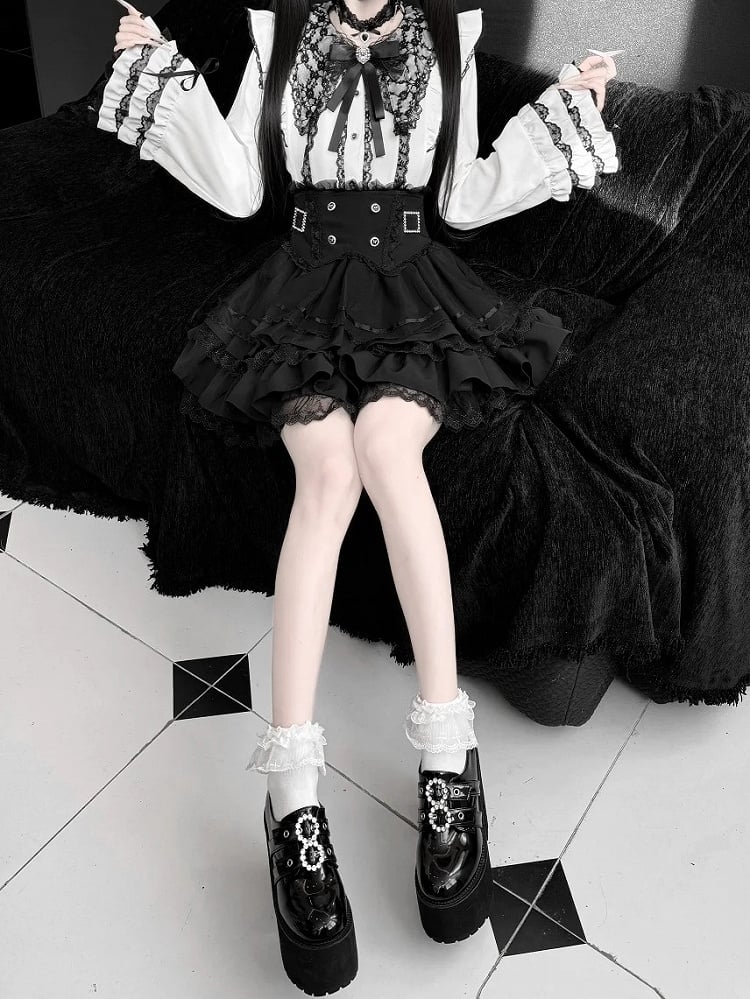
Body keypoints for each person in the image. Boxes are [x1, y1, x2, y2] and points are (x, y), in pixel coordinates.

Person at [101, 1, 620, 992]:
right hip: (298, 286)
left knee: (386, 450)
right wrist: (160, 76)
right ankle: (291, 794)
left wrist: (566, 113)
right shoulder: (283, 24)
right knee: (329, 470)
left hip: (414, 282)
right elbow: (241, 184)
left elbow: (463, 195)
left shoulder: (448, 28)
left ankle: (446, 758)